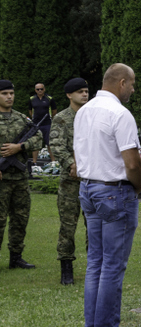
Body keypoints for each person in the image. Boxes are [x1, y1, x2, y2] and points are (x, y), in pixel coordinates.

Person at [74, 64, 141, 327]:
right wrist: (137, 187)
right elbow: (132, 163)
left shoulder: (84, 111)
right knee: (113, 264)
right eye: (132, 84)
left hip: (88, 188)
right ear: (122, 82)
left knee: (96, 262)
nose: (133, 90)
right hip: (114, 191)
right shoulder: (120, 113)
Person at [50, 78, 90, 285]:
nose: (84, 94)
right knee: (68, 225)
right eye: (80, 91)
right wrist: (70, 164)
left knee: (93, 225)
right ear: (69, 95)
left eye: (86, 91)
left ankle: (94, 265)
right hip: (70, 181)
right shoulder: (62, 119)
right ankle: (66, 267)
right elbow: (56, 145)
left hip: (92, 179)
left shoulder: (92, 115)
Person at [0, 79, 43, 269]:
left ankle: (16, 257)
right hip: (1, 179)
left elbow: (39, 138)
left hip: (19, 179)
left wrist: (20, 147)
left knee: (20, 218)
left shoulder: (21, 118)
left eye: (11, 93)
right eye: (4, 94)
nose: (9, 97)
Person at [28, 82, 56, 165]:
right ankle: (34, 163)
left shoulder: (49, 98)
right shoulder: (32, 99)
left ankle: (54, 162)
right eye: (38, 89)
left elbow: (54, 110)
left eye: (41, 89)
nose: (40, 90)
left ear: (44, 89)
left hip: (47, 123)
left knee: (49, 143)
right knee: (35, 143)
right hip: (36, 124)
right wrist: (34, 118)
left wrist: (51, 119)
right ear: (35, 90)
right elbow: (30, 110)